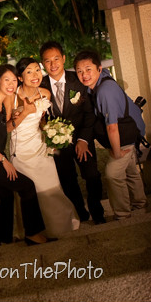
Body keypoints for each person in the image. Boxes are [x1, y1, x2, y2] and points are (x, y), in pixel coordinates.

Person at [0, 64, 48, 246]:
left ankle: (4, 238)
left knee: (6, 196)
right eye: (7, 80)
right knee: (27, 187)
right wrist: (4, 161)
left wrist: (21, 115)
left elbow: (5, 129)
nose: (11, 84)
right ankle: (33, 234)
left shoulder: (1, 103)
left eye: (14, 80)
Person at [5, 57, 80, 238]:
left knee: (51, 186)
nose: (35, 75)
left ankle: (59, 225)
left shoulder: (45, 93)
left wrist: (52, 133)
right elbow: (7, 127)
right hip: (21, 152)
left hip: (40, 147)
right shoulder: (12, 98)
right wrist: (24, 112)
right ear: (21, 77)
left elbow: (42, 120)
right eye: (29, 72)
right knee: (33, 192)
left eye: (37, 70)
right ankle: (35, 231)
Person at [73, 50, 147, 220]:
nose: (84, 75)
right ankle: (140, 205)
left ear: (99, 69)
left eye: (88, 69)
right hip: (129, 133)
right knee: (130, 172)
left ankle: (122, 214)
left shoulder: (105, 90)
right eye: (79, 71)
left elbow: (112, 127)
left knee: (113, 173)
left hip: (123, 137)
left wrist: (117, 151)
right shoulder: (97, 84)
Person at [39, 41, 105, 224]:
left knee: (92, 175)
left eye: (56, 59)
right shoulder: (41, 86)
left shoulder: (78, 80)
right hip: (56, 143)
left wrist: (83, 139)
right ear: (43, 64)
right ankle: (80, 213)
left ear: (63, 58)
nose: (53, 65)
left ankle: (97, 213)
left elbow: (90, 114)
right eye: (47, 61)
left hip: (82, 138)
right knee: (67, 180)